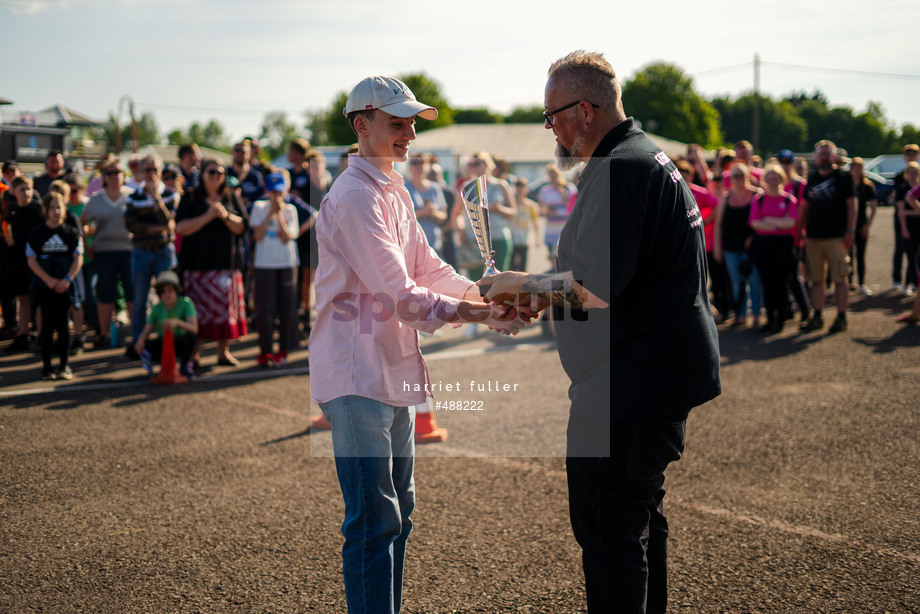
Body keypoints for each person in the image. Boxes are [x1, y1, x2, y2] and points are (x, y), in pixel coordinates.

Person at [480, 49, 720, 614]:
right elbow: (609, 280)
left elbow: (596, 288)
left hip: (630, 384)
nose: (550, 129)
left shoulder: (624, 169)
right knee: (635, 527)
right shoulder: (638, 159)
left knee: (611, 535)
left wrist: (524, 285)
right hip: (645, 372)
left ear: (584, 111)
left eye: (551, 115)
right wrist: (544, 296)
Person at [310, 75, 526, 614]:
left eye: (410, 123)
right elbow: (400, 292)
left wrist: (482, 293)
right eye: (396, 123)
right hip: (356, 372)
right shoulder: (357, 195)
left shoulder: (391, 188)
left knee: (397, 511)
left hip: (389, 367)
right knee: (374, 517)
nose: (408, 134)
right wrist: (473, 311)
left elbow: (427, 269)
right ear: (362, 126)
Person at [175, 158, 248, 367]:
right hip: (196, 267)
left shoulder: (231, 196)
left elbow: (242, 227)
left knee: (224, 315)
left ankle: (223, 353)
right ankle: (194, 353)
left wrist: (225, 216)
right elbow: (180, 228)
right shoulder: (190, 197)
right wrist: (208, 216)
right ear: (202, 174)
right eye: (211, 172)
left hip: (225, 266)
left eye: (220, 173)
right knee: (196, 314)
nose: (216, 176)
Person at [798, 140, 857, 334]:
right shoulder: (812, 176)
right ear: (816, 157)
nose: (823, 157)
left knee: (840, 278)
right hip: (814, 236)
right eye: (820, 154)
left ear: (834, 156)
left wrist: (850, 230)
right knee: (816, 279)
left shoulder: (843, 177)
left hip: (837, 237)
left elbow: (852, 205)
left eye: (827, 153)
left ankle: (841, 317)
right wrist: (799, 230)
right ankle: (818, 315)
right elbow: (805, 205)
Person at [124, 155, 178, 359]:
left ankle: (169, 344)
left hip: (164, 252)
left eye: (155, 169)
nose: (151, 174)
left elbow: (170, 222)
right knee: (140, 303)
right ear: (140, 172)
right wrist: (160, 227)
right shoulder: (132, 197)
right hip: (141, 253)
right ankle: (139, 345)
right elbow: (132, 227)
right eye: (147, 170)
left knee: (169, 298)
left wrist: (156, 199)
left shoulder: (171, 194)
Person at [26, 192, 83, 380]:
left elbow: (78, 258)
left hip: (64, 287)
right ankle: (47, 367)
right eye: (52, 208)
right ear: (45, 210)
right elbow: (31, 259)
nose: (56, 212)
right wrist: (48, 280)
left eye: (59, 208)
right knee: (47, 326)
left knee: (64, 325)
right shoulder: (37, 233)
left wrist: (67, 279)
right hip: (45, 287)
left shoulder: (70, 232)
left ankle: (64, 366)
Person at [81, 160, 134, 350]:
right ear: (103, 176)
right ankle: (103, 334)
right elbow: (83, 222)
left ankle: (135, 334)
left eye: (117, 171)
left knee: (132, 293)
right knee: (105, 295)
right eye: (109, 172)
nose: (113, 175)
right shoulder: (95, 199)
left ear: (123, 175)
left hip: (129, 251)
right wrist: (88, 246)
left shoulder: (132, 196)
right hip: (103, 252)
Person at [250, 171, 300, 367]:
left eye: (279, 192)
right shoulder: (259, 207)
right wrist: (270, 212)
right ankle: (265, 351)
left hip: (286, 264)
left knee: (287, 308)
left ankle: (284, 350)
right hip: (264, 265)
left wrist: (279, 214)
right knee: (265, 309)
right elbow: (258, 236)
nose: (276, 196)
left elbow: (288, 236)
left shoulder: (290, 210)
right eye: (273, 192)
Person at [748, 164, 799, 333]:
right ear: (764, 181)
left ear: (781, 180)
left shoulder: (788, 200)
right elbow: (755, 223)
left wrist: (769, 221)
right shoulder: (758, 200)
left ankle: (781, 320)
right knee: (767, 283)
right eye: (769, 179)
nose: (772, 182)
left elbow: (791, 222)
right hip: (764, 246)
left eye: (775, 179)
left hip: (783, 246)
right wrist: (779, 223)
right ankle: (770, 319)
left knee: (782, 283)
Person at [677, 160, 728, 322]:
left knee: (707, 279)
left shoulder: (699, 192)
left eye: (686, 176)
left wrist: (705, 220)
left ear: (691, 176)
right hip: (681, 245)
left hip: (702, 244)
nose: (683, 179)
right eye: (681, 175)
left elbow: (717, 204)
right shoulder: (673, 191)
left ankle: (714, 311)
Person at [713, 163, 763, 328]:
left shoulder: (757, 195)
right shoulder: (726, 197)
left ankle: (756, 314)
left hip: (752, 248)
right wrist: (717, 248)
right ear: (731, 178)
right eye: (735, 175)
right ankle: (740, 315)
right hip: (730, 247)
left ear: (748, 175)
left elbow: (761, 220)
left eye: (741, 175)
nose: (739, 178)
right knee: (736, 281)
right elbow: (718, 224)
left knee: (754, 280)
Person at [134, 270, 198, 378]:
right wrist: (140, 340)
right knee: (139, 346)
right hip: (163, 344)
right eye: (162, 292)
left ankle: (186, 364)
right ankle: (155, 364)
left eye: (169, 290)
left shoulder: (186, 303)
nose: (166, 294)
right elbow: (146, 330)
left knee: (191, 337)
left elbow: (194, 329)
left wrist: (177, 322)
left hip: (179, 342)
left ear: (176, 291)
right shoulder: (157, 308)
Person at [5, 176, 43, 353]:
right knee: (23, 298)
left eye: (28, 189)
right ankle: (23, 335)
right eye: (22, 189)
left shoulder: (38, 210)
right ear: (13, 191)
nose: (26, 192)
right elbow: (5, 225)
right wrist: (9, 241)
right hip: (18, 261)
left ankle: (43, 335)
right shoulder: (11, 210)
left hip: (37, 262)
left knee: (39, 299)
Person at [405, 151, 448, 254]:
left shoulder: (435, 188)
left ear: (428, 165)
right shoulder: (404, 188)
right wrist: (423, 212)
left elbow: (444, 215)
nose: (419, 165)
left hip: (434, 244)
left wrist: (433, 213)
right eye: (414, 162)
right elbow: (402, 218)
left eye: (422, 162)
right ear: (409, 166)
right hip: (413, 245)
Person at [891, 144, 920, 292]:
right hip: (903, 221)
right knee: (901, 250)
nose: (911, 156)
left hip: (916, 222)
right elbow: (898, 202)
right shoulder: (899, 178)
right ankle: (897, 280)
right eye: (908, 154)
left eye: (914, 154)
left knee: (916, 254)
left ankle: (913, 282)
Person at [850, 157, 878, 296]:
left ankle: (861, 283)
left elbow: (873, 206)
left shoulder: (867, 186)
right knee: (847, 256)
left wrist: (868, 223)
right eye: (854, 168)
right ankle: (848, 282)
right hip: (848, 225)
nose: (857, 171)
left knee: (860, 255)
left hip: (861, 224)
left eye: (859, 168)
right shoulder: (846, 185)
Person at [537, 162, 575, 257]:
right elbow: (541, 212)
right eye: (550, 175)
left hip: (564, 227)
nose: (553, 178)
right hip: (551, 229)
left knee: (565, 255)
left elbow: (572, 206)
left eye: (555, 175)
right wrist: (547, 210)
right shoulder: (545, 191)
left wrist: (564, 195)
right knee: (552, 257)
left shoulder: (569, 188)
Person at [510, 177, 540, 272]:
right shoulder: (511, 204)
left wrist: (537, 238)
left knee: (523, 266)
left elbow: (535, 223)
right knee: (511, 266)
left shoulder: (531, 206)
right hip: (512, 239)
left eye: (522, 189)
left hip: (525, 239)